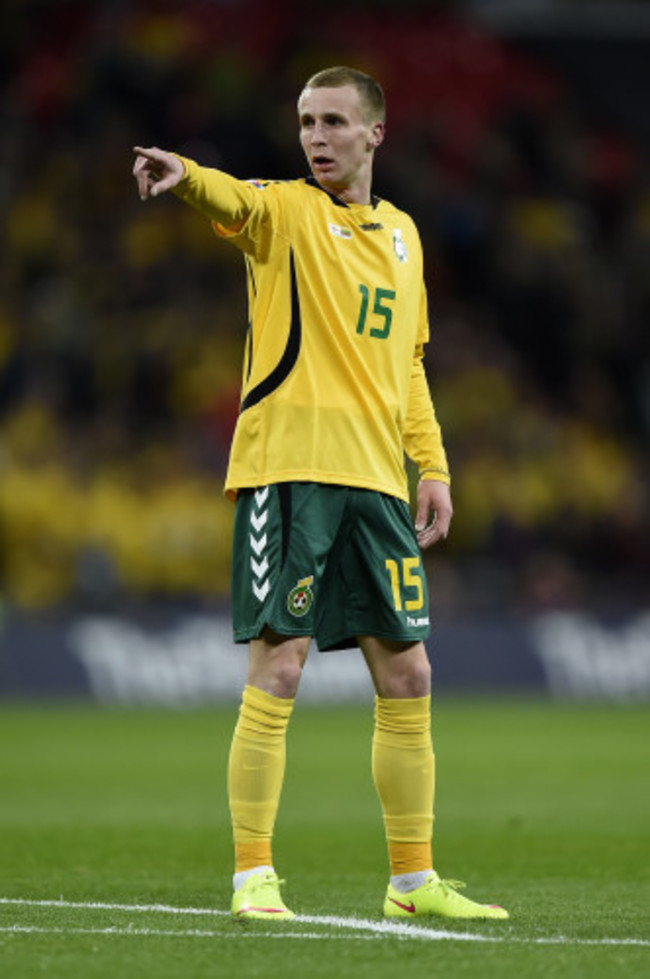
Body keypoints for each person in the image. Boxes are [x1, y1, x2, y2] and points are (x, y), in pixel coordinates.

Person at [132, 65, 508, 922]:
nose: (316, 137)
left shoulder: (406, 237)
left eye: (334, 122)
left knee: (409, 674)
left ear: (375, 132)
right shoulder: (288, 213)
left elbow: (408, 364)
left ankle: (413, 882)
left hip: (378, 483)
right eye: (306, 121)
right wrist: (186, 175)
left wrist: (434, 466)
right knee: (282, 665)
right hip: (290, 474)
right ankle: (253, 874)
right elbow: (235, 198)